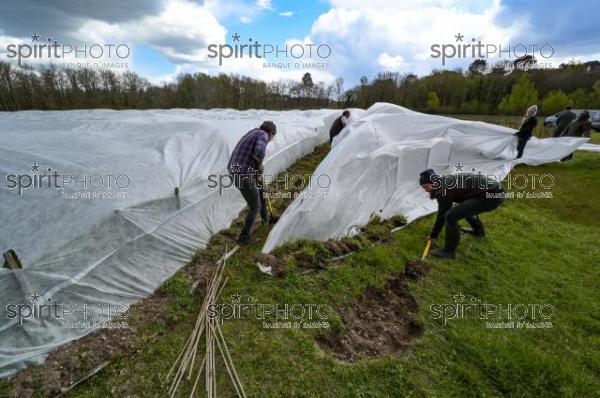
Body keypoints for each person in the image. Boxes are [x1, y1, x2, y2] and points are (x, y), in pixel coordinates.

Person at [419, 169, 505, 259]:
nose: (425, 190)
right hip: (492, 191)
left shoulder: (444, 191)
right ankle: (479, 232)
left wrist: (433, 236)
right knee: (463, 209)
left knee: (451, 216)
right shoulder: (443, 182)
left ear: (433, 183)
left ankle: (449, 252)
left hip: (492, 196)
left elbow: (442, 215)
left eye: (425, 187)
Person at [228, 121, 277, 245]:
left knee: (261, 191)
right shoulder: (263, 135)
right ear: (271, 133)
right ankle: (244, 237)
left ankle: (267, 218)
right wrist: (259, 165)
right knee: (255, 206)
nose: (270, 139)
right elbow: (259, 151)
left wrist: (257, 171)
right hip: (243, 174)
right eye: (272, 136)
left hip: (239, 170)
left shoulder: (252, 133)